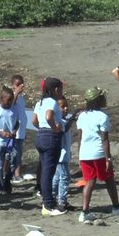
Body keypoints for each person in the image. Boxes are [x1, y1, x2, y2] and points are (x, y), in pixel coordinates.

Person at [77, 87, 119, 224]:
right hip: (98, 153)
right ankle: (116, 207)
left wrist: (79, 154)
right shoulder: (102, 117)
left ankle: (84, 212)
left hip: (85, 153)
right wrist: (108, 158)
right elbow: (104, 139)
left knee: (89, 182)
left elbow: (79, 137)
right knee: (109, 179)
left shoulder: (82, 116)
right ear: (98, 100)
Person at [31, 77, 66, 216]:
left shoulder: (39, 102)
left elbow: (34, 121)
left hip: (40, 136)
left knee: (45, 170)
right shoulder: (52, 102)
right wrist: (54, 127)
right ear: (56, 89)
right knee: (48, 173)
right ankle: (48, 205)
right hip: (51, 137)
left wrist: (43, 128)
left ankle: (48, 202)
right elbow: (48, 116)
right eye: (61, 89)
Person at [0, 86, 19, 194]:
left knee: (14, 160)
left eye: (11, 100)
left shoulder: (14, 109)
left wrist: (14, 131)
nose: (10, 102)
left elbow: (17, 123)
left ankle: (7, 181)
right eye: (8, 100)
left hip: (10, 141)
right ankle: (0, 187)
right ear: (2, 98)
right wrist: (1, 132)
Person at [52, 96, 77, 211]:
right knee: (65, 177)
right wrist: (72, 118)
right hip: (61, 156)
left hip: (63, 155)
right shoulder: (58, 122)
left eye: (67, 106)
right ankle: (61, 201)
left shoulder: (62, 121)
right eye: (62, 107)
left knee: (57, 177)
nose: (66, 109)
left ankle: (52, 197)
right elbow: (65, 129)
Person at [10, 75, 28, 184]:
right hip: (15, 130)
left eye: (21, 84)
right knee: (14, 153)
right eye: (17, 85)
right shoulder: (12, 96)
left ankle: (17, 173)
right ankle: (14, 174)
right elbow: (11, 105)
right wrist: (16, 92)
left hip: (21, 129)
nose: (20, 87)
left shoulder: (21, 98)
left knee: (19, 153)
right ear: (13, 85)